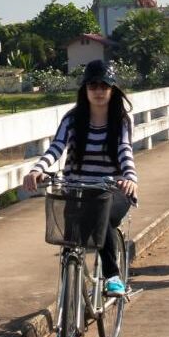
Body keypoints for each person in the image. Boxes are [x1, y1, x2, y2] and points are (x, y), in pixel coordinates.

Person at [23, 59, 138, 296]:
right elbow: (56, 147)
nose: (98, 91)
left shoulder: (122, 120)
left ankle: (112, 275)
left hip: (113, 188)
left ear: (112, 89)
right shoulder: (72, 119)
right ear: (84, 89)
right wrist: (38, 169)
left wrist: (130, 178)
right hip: (77, 187)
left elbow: (125, 150)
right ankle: (70, 302)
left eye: (104, 86)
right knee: (70, 241)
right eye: (92, 86)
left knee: (101, 214)